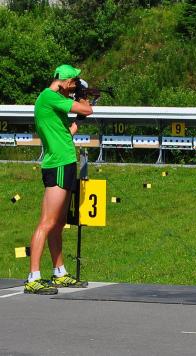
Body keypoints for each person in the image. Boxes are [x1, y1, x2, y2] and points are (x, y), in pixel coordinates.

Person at [24, 64, 93, 295]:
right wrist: (83, 99)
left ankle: (59, 272)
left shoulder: (54, 103)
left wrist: (77, 120)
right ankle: (34, 277)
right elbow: (87, 110)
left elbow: (67, 133)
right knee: (47, 222)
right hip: (59, 166)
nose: (74, 87)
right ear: (63, 81)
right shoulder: (49, 96)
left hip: (64, 163)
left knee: (58, 224)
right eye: (73, 83)